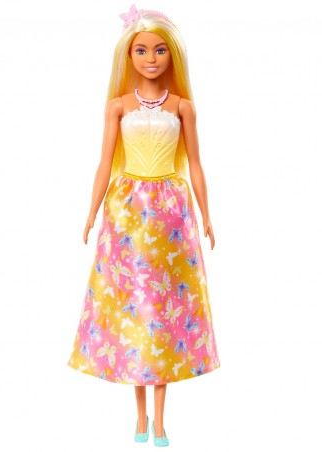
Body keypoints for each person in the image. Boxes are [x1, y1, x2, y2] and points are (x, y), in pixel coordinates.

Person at [67, 4, 221, 447]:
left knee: (163, 311)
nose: (151, 58)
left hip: (171, 213)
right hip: (128, 212)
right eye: (141, 50)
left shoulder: (183, 107)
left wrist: (207, 214)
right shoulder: (117, 107)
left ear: (172, 55)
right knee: (134, 308)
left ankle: (161, 419)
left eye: (159, 50)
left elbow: (196, 164)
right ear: (128, 55)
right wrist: (92, 211)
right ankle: (139, 417)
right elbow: (104, 162)